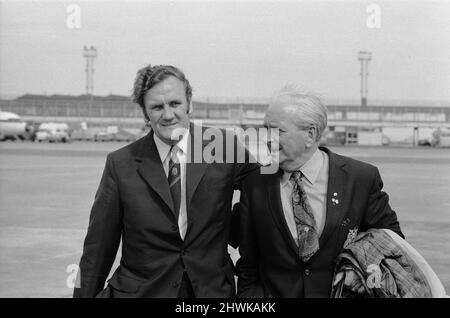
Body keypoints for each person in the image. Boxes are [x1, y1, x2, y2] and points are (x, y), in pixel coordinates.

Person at [73, 64, 257, 298]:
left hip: (211, 292)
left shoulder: (223, 146)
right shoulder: (121, 164)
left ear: (189, 102)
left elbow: (265, 193)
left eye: (175, 103)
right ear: (145, 113)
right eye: (157, 107)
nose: (168, 114)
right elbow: (97, 249)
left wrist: (231, 227)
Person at [235, 85, 404, 298]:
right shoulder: (255, 184)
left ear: (310, 134)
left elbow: (392, 240)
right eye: (265, 128)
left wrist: (359, 269)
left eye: (277, 130)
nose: (267, 138)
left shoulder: (360, 178)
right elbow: (248, 264)